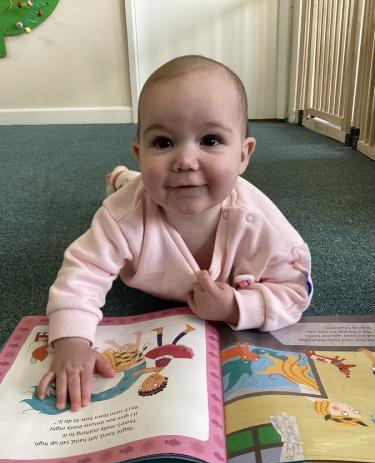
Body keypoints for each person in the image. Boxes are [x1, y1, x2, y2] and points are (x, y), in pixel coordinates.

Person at [38, 54, 313, 411]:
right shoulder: (122, 217)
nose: (185, 160)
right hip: (140, 196)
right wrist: (71, 339)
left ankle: (127, 179)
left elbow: (296, 289)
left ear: (243, 155)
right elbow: (84, 270)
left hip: (157, 191)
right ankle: (124, 179)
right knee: (133, 192)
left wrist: (235, 305)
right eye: (164, 143)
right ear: (140, 152)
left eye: (210, 140)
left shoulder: (264, 226)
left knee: (147, 185)